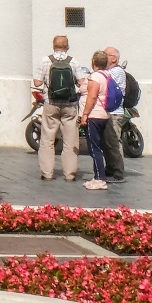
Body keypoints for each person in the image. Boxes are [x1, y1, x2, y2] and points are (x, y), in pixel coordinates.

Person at [34, 34, 82, 183]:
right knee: (70, 140)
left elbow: (37, 83)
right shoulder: (73, 61)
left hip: (51, 103)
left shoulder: (45, 60)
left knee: (47, 139)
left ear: (53, 46)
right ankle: (70, 174)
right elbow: (81, 82)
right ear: (67, 46)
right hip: (69, 105)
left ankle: (47, 173)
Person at [81, 49, 112, 190]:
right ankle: (97, 176)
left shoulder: (95, 77)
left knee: (94, 148)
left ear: (93, 62)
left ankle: (100, 179)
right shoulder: (107, 75)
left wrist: (85, 114)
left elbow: (92, 96)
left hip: (94, 115)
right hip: (104, 114)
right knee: (98, 147)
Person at [100, 45, 127, 183]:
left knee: (114, 142)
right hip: (108, 111)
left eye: (106, 55)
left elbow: (104, 82)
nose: (103, 56)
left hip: (115, 112)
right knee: (107, 143)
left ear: (114, 59)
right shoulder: (108, 71)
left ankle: (118, 171)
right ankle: (110, 168)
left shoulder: (117, 71)